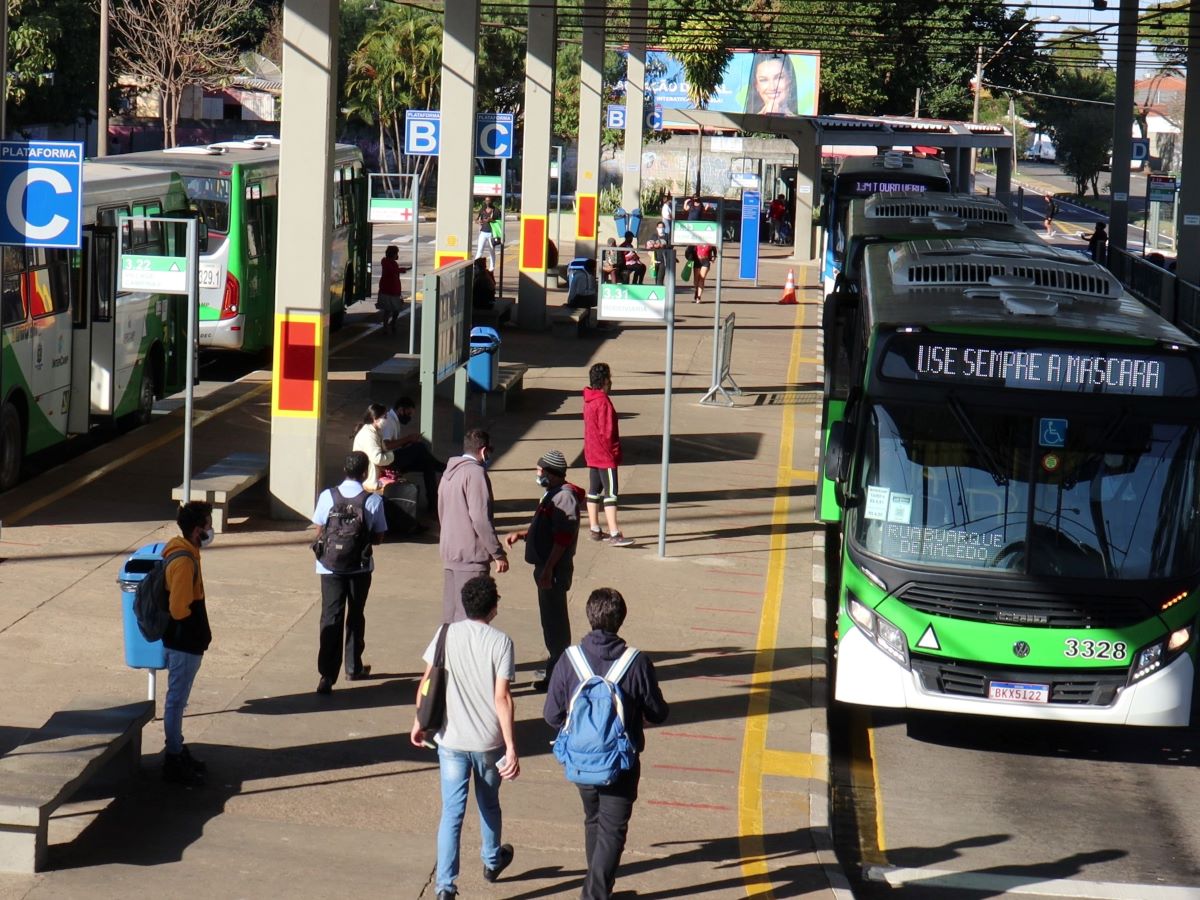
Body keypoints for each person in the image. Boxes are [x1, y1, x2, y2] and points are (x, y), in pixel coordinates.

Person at [543, 587, 669, 900]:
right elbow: (658, 711)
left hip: (581, 763)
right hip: (619, 764)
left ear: (589, 616)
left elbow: (551, 715)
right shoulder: (636, 662)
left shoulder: (569, 660)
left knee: (594, 821)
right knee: (612, 831)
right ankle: (594, 895)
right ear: (620, 620)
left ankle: (598, 887)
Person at [411, 575, 520, 900]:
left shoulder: (446, 633)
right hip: (488, 741)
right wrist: (511, 746)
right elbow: (502, 698)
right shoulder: (501, 642)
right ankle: (491, 860)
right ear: (493, 607)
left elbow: (427, 682)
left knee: (452, 813)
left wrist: (419, 720)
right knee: (489, 802)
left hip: (451, 741)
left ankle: (445, 887)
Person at [504, 450, 583, 691]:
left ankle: (558, 677)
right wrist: (523, 535)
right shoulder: (554, 495)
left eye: (540, 471)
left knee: (555, 625)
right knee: (550, 623)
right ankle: (554, 668)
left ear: (551, 473)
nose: (538, 475)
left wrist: (548, 569)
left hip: (554, 572)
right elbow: (548, 531)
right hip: (547, 568)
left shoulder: (563, 499)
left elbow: (561, 539)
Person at [311, 451, 388, 695]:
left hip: (329, 566)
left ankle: (326, 674)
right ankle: (353, 666)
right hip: (359, 567)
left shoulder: (328, 496)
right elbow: (378, 536)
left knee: (330, 617)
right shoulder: (373, 500)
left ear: (345, 470)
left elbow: (319, 528)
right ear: (365, 472)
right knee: (355, 614)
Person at [161, 500, 215, 787]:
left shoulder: (188, 552)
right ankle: (173, 756)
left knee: (178, 700)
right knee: (176, 701)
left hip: (189, 641)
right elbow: (179, 607)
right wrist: (194, 625)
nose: (211, 530)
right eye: (208, 525)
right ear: (197, 530)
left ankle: (177, 748)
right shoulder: (183, 560)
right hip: (183, 642)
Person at [438, 428, 509, 623]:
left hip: (450, 552)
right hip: (471, 556)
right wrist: (497, 553)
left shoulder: (448, 474)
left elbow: (442, 511)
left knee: (450, 615)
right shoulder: (476, 474)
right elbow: (480, 518)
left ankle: (446, 653)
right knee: (470, 618)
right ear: (484, 450)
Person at [583, 363, 634, 547]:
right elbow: (608, 432)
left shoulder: (589, 400)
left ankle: (595, 528)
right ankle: (614, 532)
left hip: (592, 453)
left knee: (593, 491)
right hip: (605, 456)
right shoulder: (603, 402)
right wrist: (615, 453)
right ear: (605, 381)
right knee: (611, 493)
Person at [380, 395, 445, 510]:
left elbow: (394, 445)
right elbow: (386, 445)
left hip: (393, 457)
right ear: (401, 410)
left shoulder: (394, 421)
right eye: (408, 414)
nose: (409, 417)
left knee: (427, 464)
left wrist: (407, 443)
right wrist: (409, 438)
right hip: (387, 461)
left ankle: (433, 504)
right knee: (419, 447)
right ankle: (443, 468)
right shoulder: (389, 421)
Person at [351, 403, 396, 491]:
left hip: (373, 479)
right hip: (369, 483)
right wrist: (391, 456)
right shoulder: (369, 434)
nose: (386, 419)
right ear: (375, 419)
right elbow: (378, 458)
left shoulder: (375, 432)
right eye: (384, 417)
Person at [377, 245, 405, 334]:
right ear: (393, 254)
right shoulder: (386, 262)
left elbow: (394, 271)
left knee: (393, 310)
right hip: (389, 290)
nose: (397, 255)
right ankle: (387, 326)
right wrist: (401, 270)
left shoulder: (391, 263)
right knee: (390, 310)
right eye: (396, 253)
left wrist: (400, 269)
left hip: (392, 290)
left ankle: (390, 324)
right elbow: (392, 271)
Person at [476, 196, 500, 271]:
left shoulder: (496, 210)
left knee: (491, 251)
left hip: (491, 233)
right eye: (486, 201)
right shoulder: (482, 210)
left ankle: (491, 268)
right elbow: (477, 219)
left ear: (492, 201)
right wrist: (478, 221)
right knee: (480, 250)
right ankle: (475, 266)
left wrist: (491, 220)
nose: (487, 202)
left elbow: (500, 221)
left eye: (489, 201)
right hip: (483, 232)